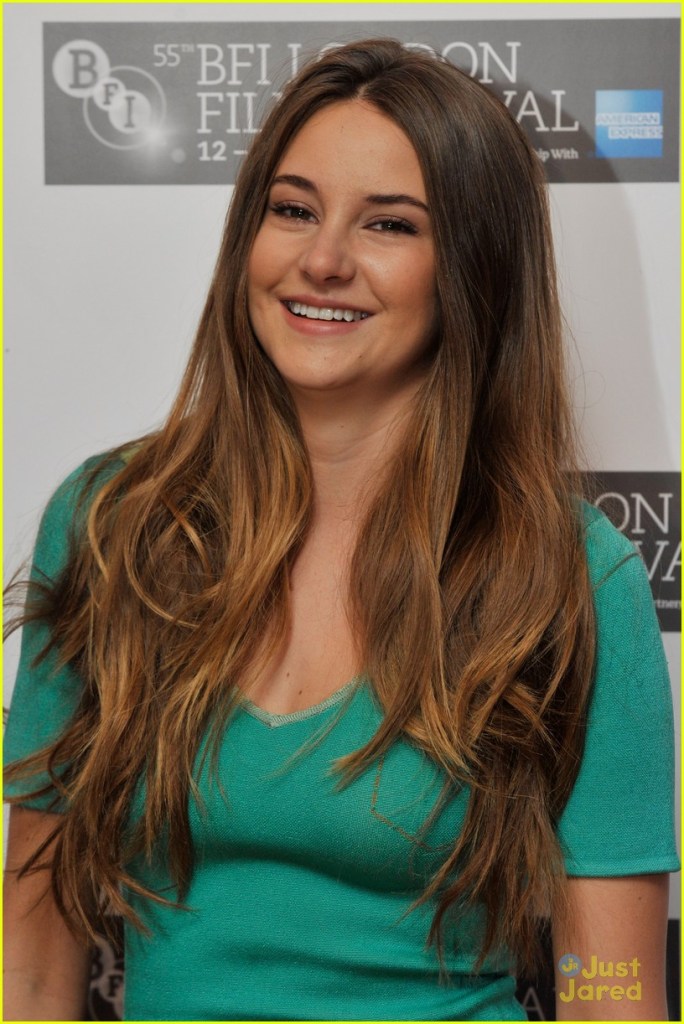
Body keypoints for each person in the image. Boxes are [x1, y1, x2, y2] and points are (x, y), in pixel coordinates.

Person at [3, 38, 678, 1022]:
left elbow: (611, 995)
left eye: (390, 224)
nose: (322, 260)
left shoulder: (568, 576)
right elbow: (29, 961)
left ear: (473, 269)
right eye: (292, 209)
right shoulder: (116, 527)